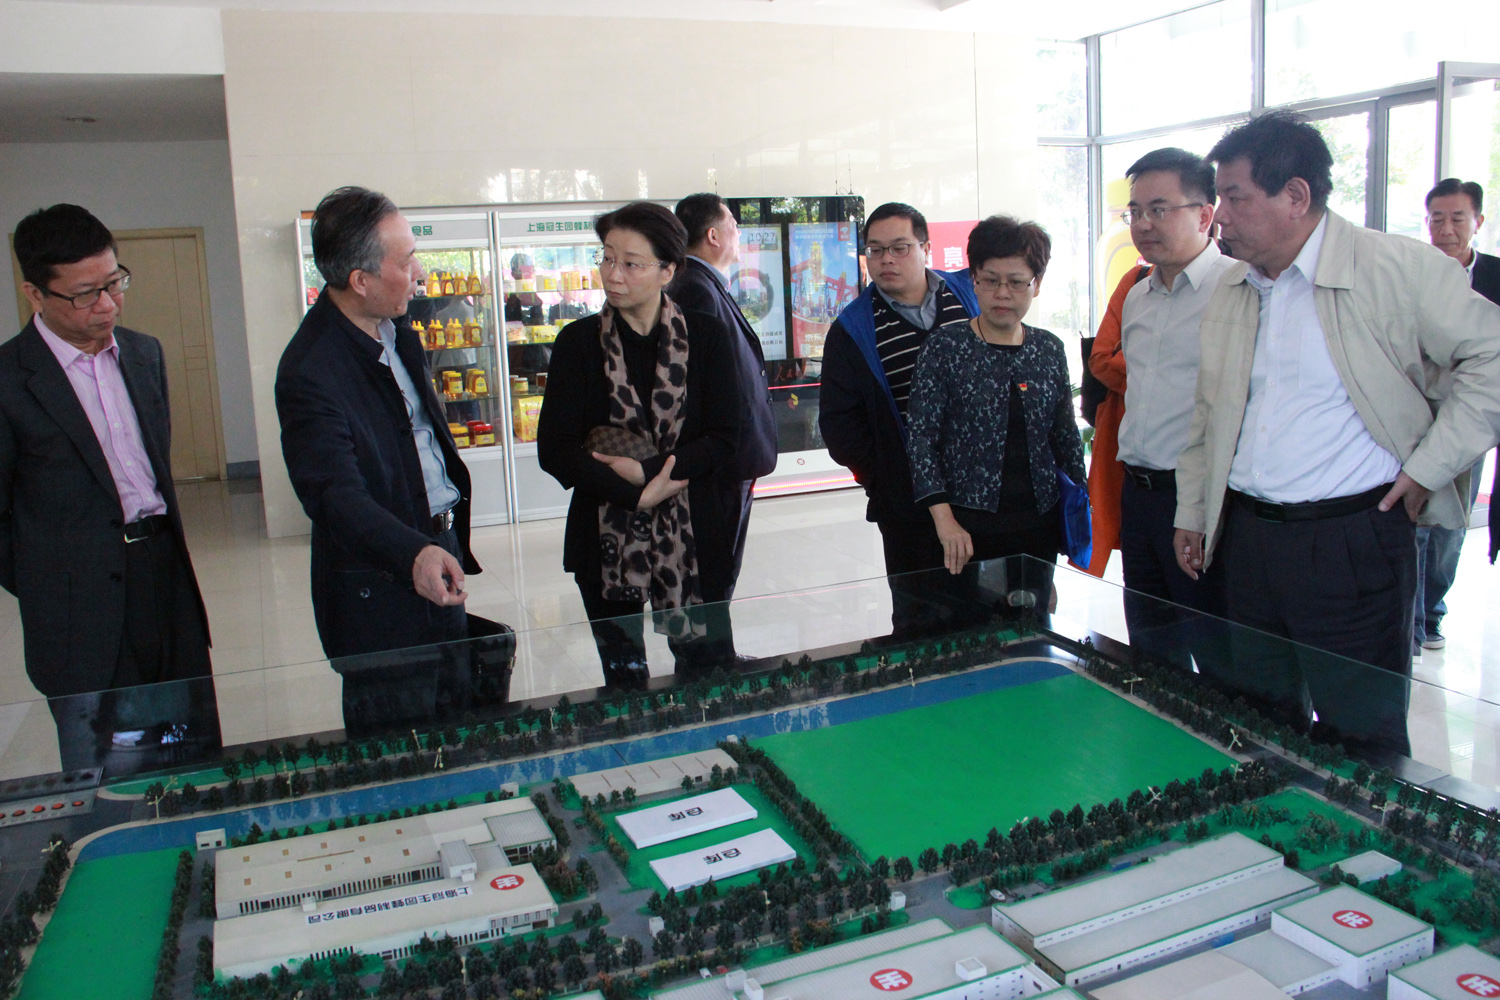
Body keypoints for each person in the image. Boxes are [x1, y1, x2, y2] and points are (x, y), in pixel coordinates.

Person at [1173, 112, 1500, 758]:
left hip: (1353, 540)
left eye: (1234, 198)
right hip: (1247, 540)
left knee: (1362, 736)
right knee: (1260, 723)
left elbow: (1491, 358)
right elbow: (1210, 413)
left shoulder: (1395, 269)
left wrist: (1430, 466)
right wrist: (1193, 509)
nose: (1219, 218)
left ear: (1296, 196)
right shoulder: (1234, 287)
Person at [1, 204, 218, 770]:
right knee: (110, 770)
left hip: (164, 575)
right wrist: (51, 580)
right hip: (78, 605)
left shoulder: (143, 354)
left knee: (190, 751)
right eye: (84, 294)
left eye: (114, 282)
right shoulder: (9, 380)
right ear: (34, 293)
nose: (108, 304)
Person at [536, 201, 744, 684]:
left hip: (695, 534)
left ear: (667, 271)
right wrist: (634, 495)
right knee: (625, 679)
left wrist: (650, 473)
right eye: (607, 258)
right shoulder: (578, 343)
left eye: (631, 264)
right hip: (604, 539)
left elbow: (726, 436)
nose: (613, 274)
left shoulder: (706, 336)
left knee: (709, 674)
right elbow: (556, 448)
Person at [277, 186, 481, 661]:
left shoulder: (395, 330)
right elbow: (333, 495)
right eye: (406, 261)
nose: (420, 272)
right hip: (379, 579)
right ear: (361, 280)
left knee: (454, 695)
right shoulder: (311, 369)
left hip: (438, 545)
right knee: (398, 702)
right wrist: (413, 552)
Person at [1095, 149, 1235, 667]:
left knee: (1216, 655)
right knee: (1151, 649)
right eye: (1135, 212)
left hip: (1198, 496)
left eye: (1159, 209)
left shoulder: (1237, 289)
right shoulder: (1139, 294)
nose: (1143, 224)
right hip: (1139, 493)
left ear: (1204, 214)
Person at [906, 215, 1086, 610]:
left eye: (1016, 281)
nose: (1002, 293)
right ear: (974, 279)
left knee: (1034, 623)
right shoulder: (946, 347)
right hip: (967, 528)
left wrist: (1078, 515)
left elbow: (1065, 436)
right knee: (972, 629)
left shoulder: (1048, 349)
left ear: (1036, 284)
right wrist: (944, 520)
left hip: (1038, 522)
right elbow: (921, 440)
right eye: (990, 280)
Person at [818, 203, 979, 635]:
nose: (886, 259)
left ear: (926, 248)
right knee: (920, 619)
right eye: (875, 250)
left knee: (986, 610)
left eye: (899, 248)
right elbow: (839, 426)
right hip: (908, 506)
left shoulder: (968, 297)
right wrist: (887, 479)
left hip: (981, 497)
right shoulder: (852, 329)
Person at [666, 193, 779, 660]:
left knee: (718, 572)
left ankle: (718, 660)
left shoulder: (705, 283)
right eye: (733, 223)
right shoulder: (694, 289)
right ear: (713, 235)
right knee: (708, 574)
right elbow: (698, 388)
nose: (738, 232)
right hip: (717, 467)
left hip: (729, 462)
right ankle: (709, 668)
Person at [1416, 178, 1500, 649]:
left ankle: (1432, 611)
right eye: (1437, 218)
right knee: (1413, 521)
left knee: (1451, 521)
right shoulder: (1412, 272)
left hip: (1469, 421)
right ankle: (1409, 619)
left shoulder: (1495, 276)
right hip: (1414, 414)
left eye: (1457, 218)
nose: (1445, 229)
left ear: (1478, 221)